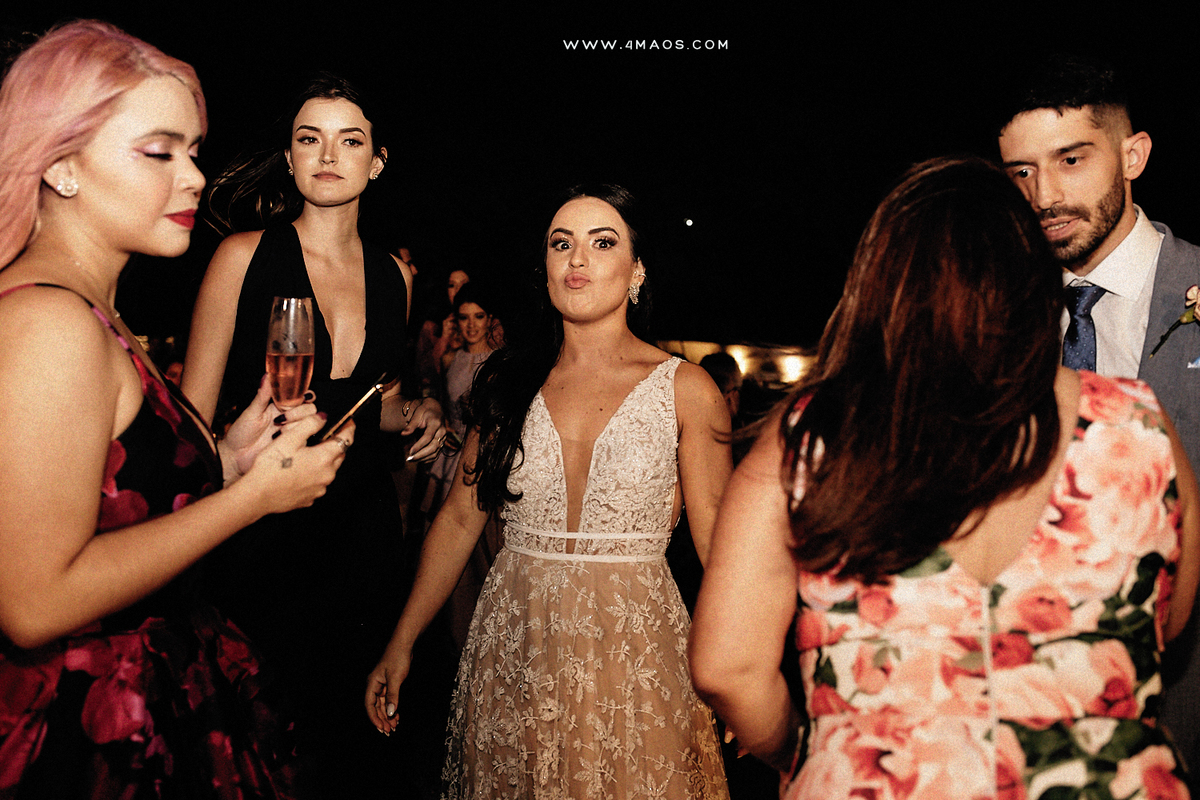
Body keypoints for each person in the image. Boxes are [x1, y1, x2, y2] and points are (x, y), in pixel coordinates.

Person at [689, 156, 1200, 798]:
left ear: (878, 283)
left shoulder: (809, 439)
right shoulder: (1138, 423)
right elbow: (1169, 619)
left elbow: (726, 667)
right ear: (1033, 277)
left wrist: (814, 748)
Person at [0, 20, 349, 797]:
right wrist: (253, 500)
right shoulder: (48, 324)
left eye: (192, 151)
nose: (194, 178)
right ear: (60, 166)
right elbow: (33, 602)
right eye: (159, 151)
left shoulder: (88, 308)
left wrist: (229, 458)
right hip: (86, 733)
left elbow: (101, 502)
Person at [367, 184, 733, 798]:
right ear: (544, 268)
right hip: (518, 643)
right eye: (561, 244)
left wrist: (739, 666)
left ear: (636, 269)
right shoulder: (507, 384)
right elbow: (460, 519)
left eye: (602, 242)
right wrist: (401, 642)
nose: (577, 259)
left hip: (635, 653)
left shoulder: (689, 390)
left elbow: (719, 541)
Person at [182, 74, 445, 795]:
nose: (328, 155)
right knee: (259, 759)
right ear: (292, 158)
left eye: (349, 140)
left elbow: (371, 401)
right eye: (310, 138)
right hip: (262, 546)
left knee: (351, 762)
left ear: (377, 161)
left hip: (362, 548)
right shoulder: (242, 257)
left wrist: (419, 410)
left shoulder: (396, 275)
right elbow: (188, 427)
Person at [996, 54, 1200, 774]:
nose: (1045, 194)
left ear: (1133, 154)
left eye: (1072, 159)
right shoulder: (993, 320)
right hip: (1033, 719)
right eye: (1021, 172)